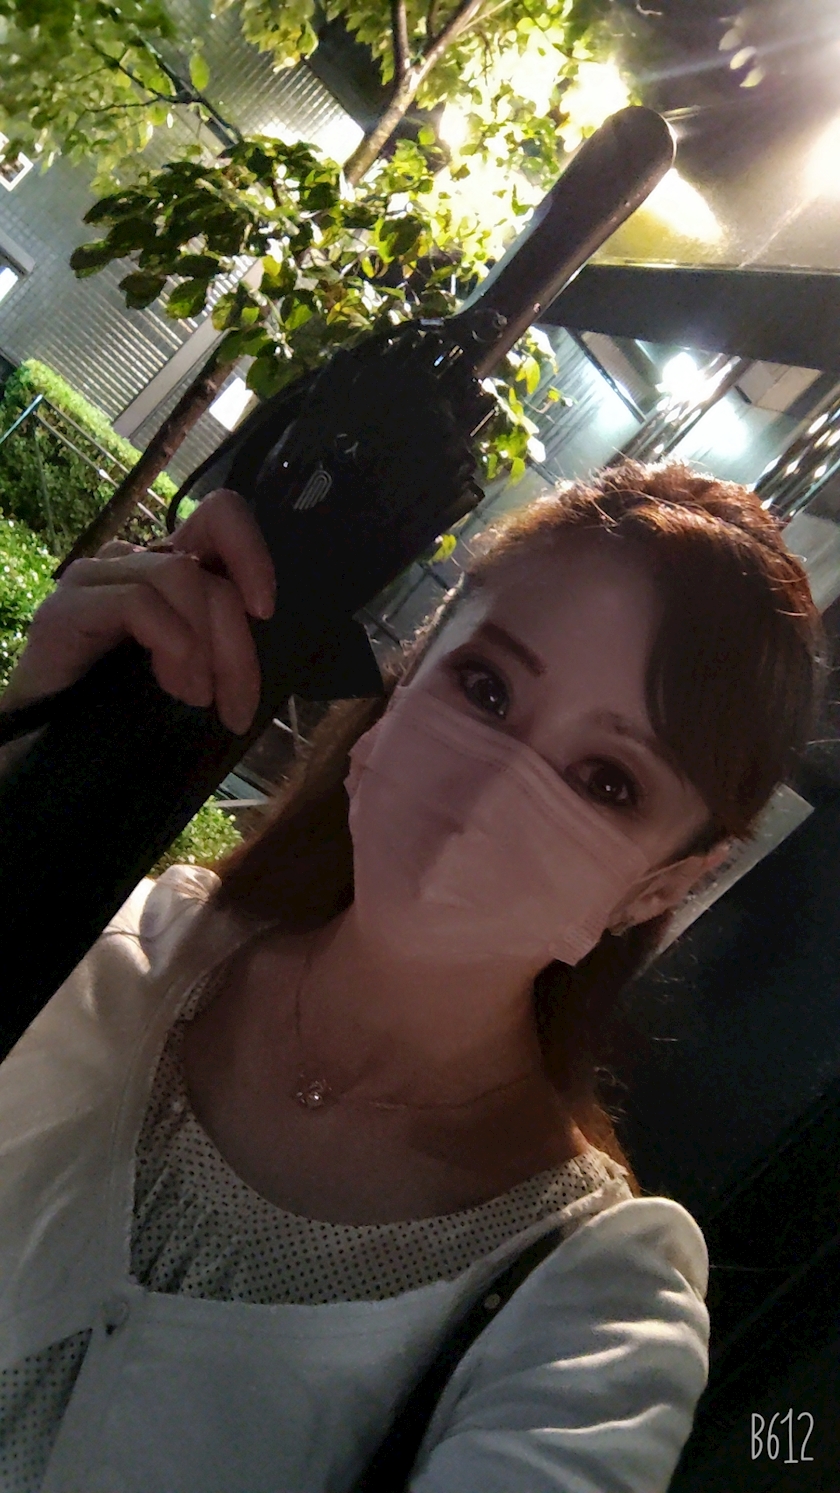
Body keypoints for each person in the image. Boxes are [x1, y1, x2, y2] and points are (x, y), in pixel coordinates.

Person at [0, 459, 824, 1493]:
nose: (493, 788)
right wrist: (30, 766)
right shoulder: (124, 941)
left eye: (607, 779)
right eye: (487, 686)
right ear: (414, 666)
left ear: (663, 883)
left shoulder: (591, 1310)